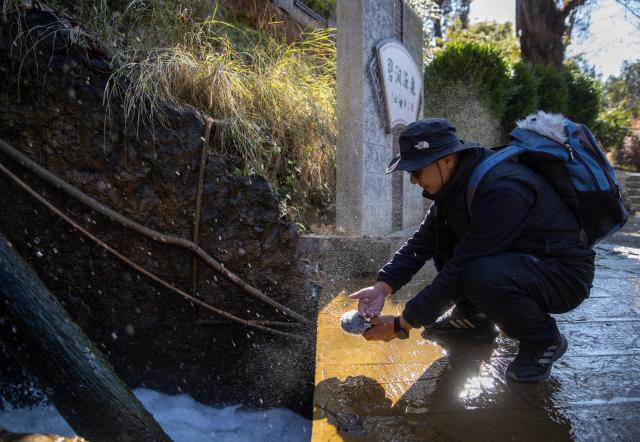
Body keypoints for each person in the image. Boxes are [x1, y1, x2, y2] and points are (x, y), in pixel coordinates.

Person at [349, 118, 595, 383]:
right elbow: (422, 242)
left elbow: (461, 267)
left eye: (417, 171)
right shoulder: (455, 186)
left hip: (562, 275)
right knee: (446, 242)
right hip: (520, 263)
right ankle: (474, 318)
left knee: (478, 272)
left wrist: (402, 324)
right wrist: (383, 286)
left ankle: (544, 340)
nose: (413, 180)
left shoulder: (503, 189)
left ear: (447, 160)